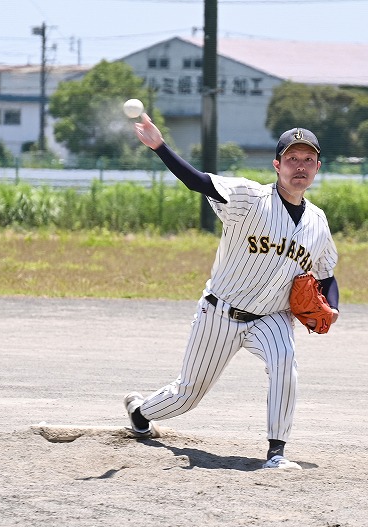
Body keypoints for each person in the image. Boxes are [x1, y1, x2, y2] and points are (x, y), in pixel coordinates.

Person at [123, 115, 340, 470]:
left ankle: (276, 452)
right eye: (292, 158)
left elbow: (327, 273)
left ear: (317, 167)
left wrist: (333, 306)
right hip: (219, 312)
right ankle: (140, 412)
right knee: (187, 395)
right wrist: (159, 146)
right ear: (277, 165)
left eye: (308, 159)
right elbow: (197, 181)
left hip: (271, 317)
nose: (300, 166)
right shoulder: (248, 197)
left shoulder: (318, 222)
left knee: (285, 362)